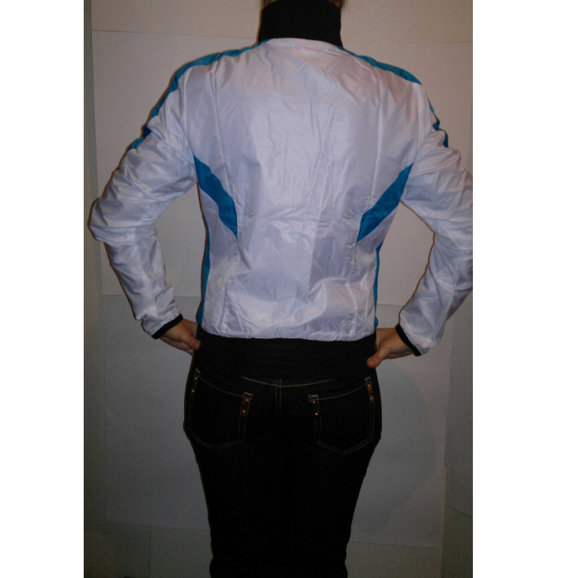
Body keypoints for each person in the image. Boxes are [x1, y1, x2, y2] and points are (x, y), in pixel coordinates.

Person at [89, 0, 472, 575]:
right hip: (340, 372)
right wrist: (417, 330)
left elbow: (120, 216)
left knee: (237, 561)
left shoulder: (204, 85)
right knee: (319, 563)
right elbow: (470, 228)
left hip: (231, 368)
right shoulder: (400, 97)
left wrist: (158, 314)